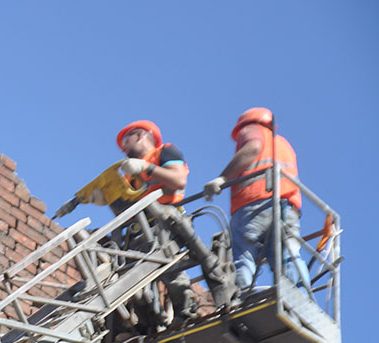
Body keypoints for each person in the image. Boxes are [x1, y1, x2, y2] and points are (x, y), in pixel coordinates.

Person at [114, 120, 237, 315]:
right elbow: (124, 214)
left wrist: (147, 168)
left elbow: (178, 180)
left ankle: (187, 308)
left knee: (171, 269)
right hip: (140, 229)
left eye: (125, 141)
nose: (123, 148)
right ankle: (154, 316)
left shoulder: (165, 152)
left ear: (139, 135)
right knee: (146, 277)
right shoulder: (128, 175)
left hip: (166, 220)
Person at [203, 107, 311, 294]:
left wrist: (222, 179)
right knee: (288, 256)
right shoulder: (284, 145)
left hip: (253, 205)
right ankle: (300, 297)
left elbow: (253, 148)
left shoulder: (253, 129)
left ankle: (244, 299)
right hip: (286, 206)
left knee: (243, 256)